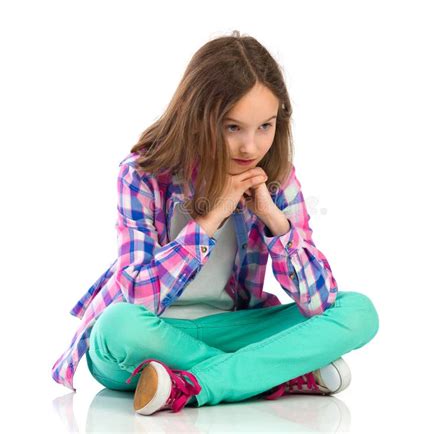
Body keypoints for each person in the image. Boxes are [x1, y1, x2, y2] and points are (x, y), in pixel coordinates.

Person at [51, 30, 379, 415]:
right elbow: (137, 296)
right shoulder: (141, 174)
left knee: (358, 312)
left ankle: (197, 383)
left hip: (233, 329)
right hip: (146, 338)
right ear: (198, 118)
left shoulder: (277, 179)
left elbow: (318, 302)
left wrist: (275, 222)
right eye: (232, 127)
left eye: (265, 127)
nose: (251, 147)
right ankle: (274, 377)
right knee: (116, 325)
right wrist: (209, 220)